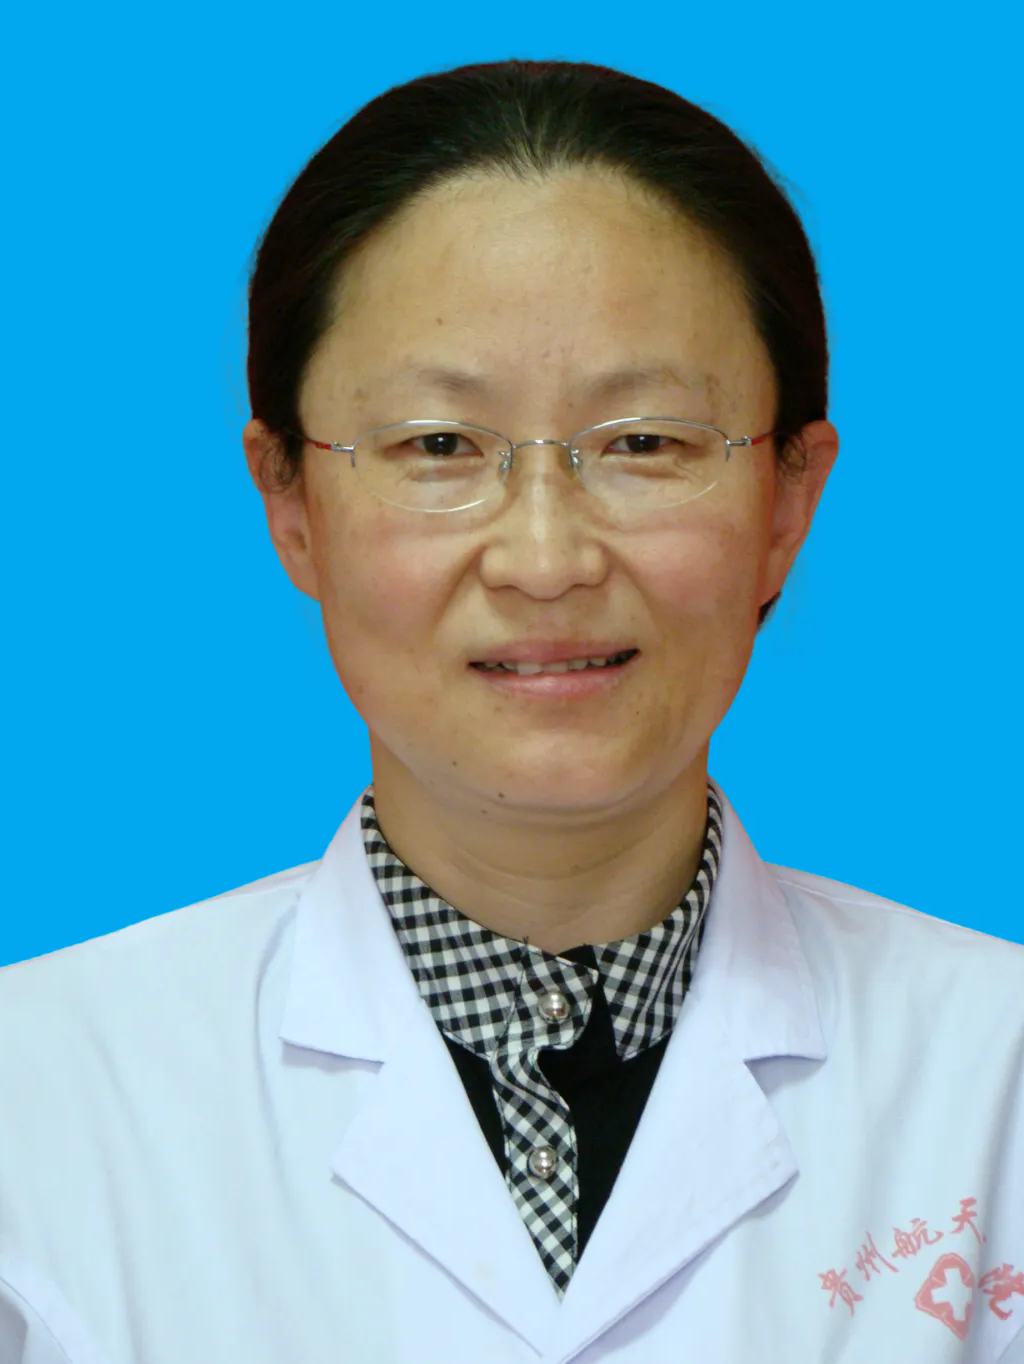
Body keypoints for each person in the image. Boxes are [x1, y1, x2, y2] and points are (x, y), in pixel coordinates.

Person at [0, 58, 1021, 1364]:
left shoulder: (998, 1080)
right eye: (439, 445)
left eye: (646, 442)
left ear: (787, 501)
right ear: (290, 503)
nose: (546, 559)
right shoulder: (38, 1102)